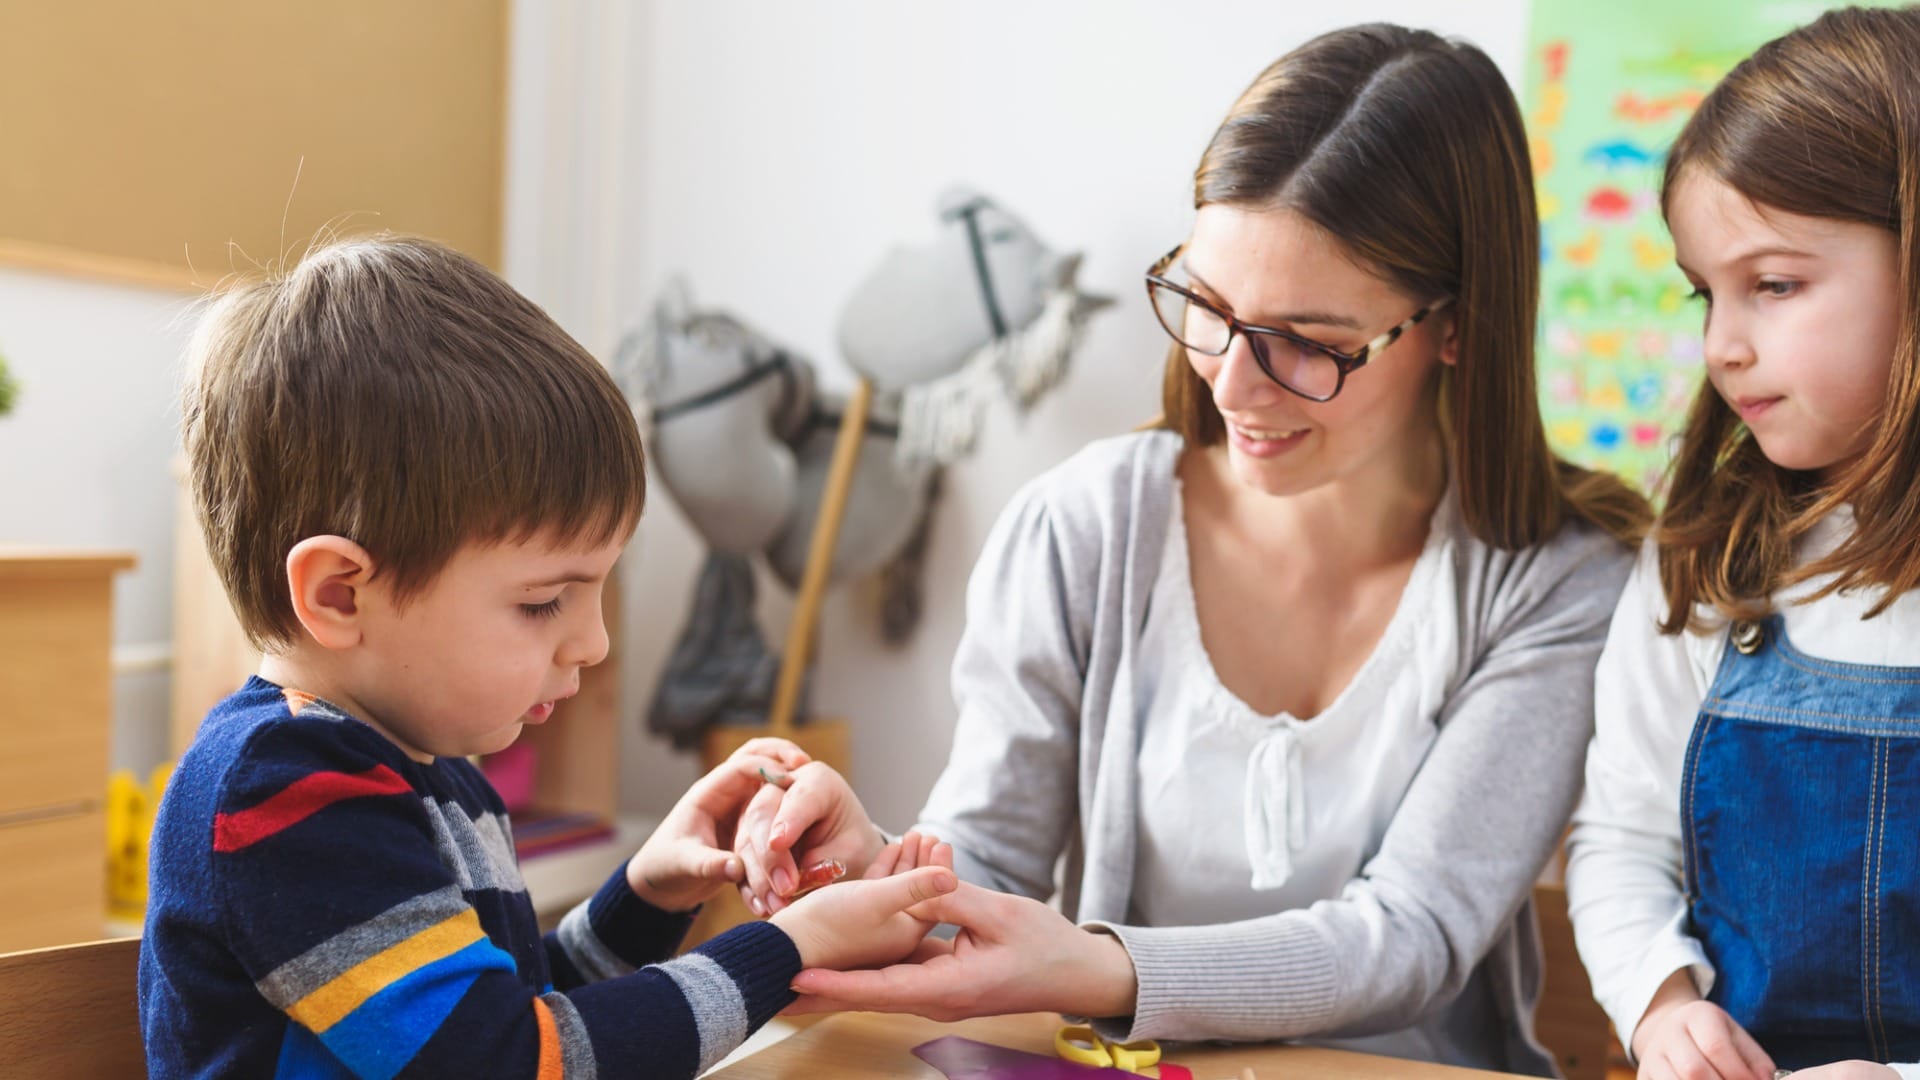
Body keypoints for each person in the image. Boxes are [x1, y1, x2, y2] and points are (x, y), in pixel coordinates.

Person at [732, 23, 1649, 1075]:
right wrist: (879, 871)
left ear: (1457, 326)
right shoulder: (1085, 528)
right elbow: (983, 862)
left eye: (1310, 342)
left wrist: (1094, 965)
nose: (1233, 383)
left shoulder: (1560, 579)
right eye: (1207, 308)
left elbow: (1411, 934)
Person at [139, 235, 956, 1079]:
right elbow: (507, 1060)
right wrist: (782, 951)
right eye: (541, 602)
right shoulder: (284, 791)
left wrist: (647, 894)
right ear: (341, 594)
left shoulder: (431, 767)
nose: (594, 643)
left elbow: (518, 1007)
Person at [1566, 8, 1920, 1079]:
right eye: (1704, 292)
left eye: (1773, 284)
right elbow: (1622, 842)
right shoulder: (1707, 564)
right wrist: (1660, 1008)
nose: (1723, 344)